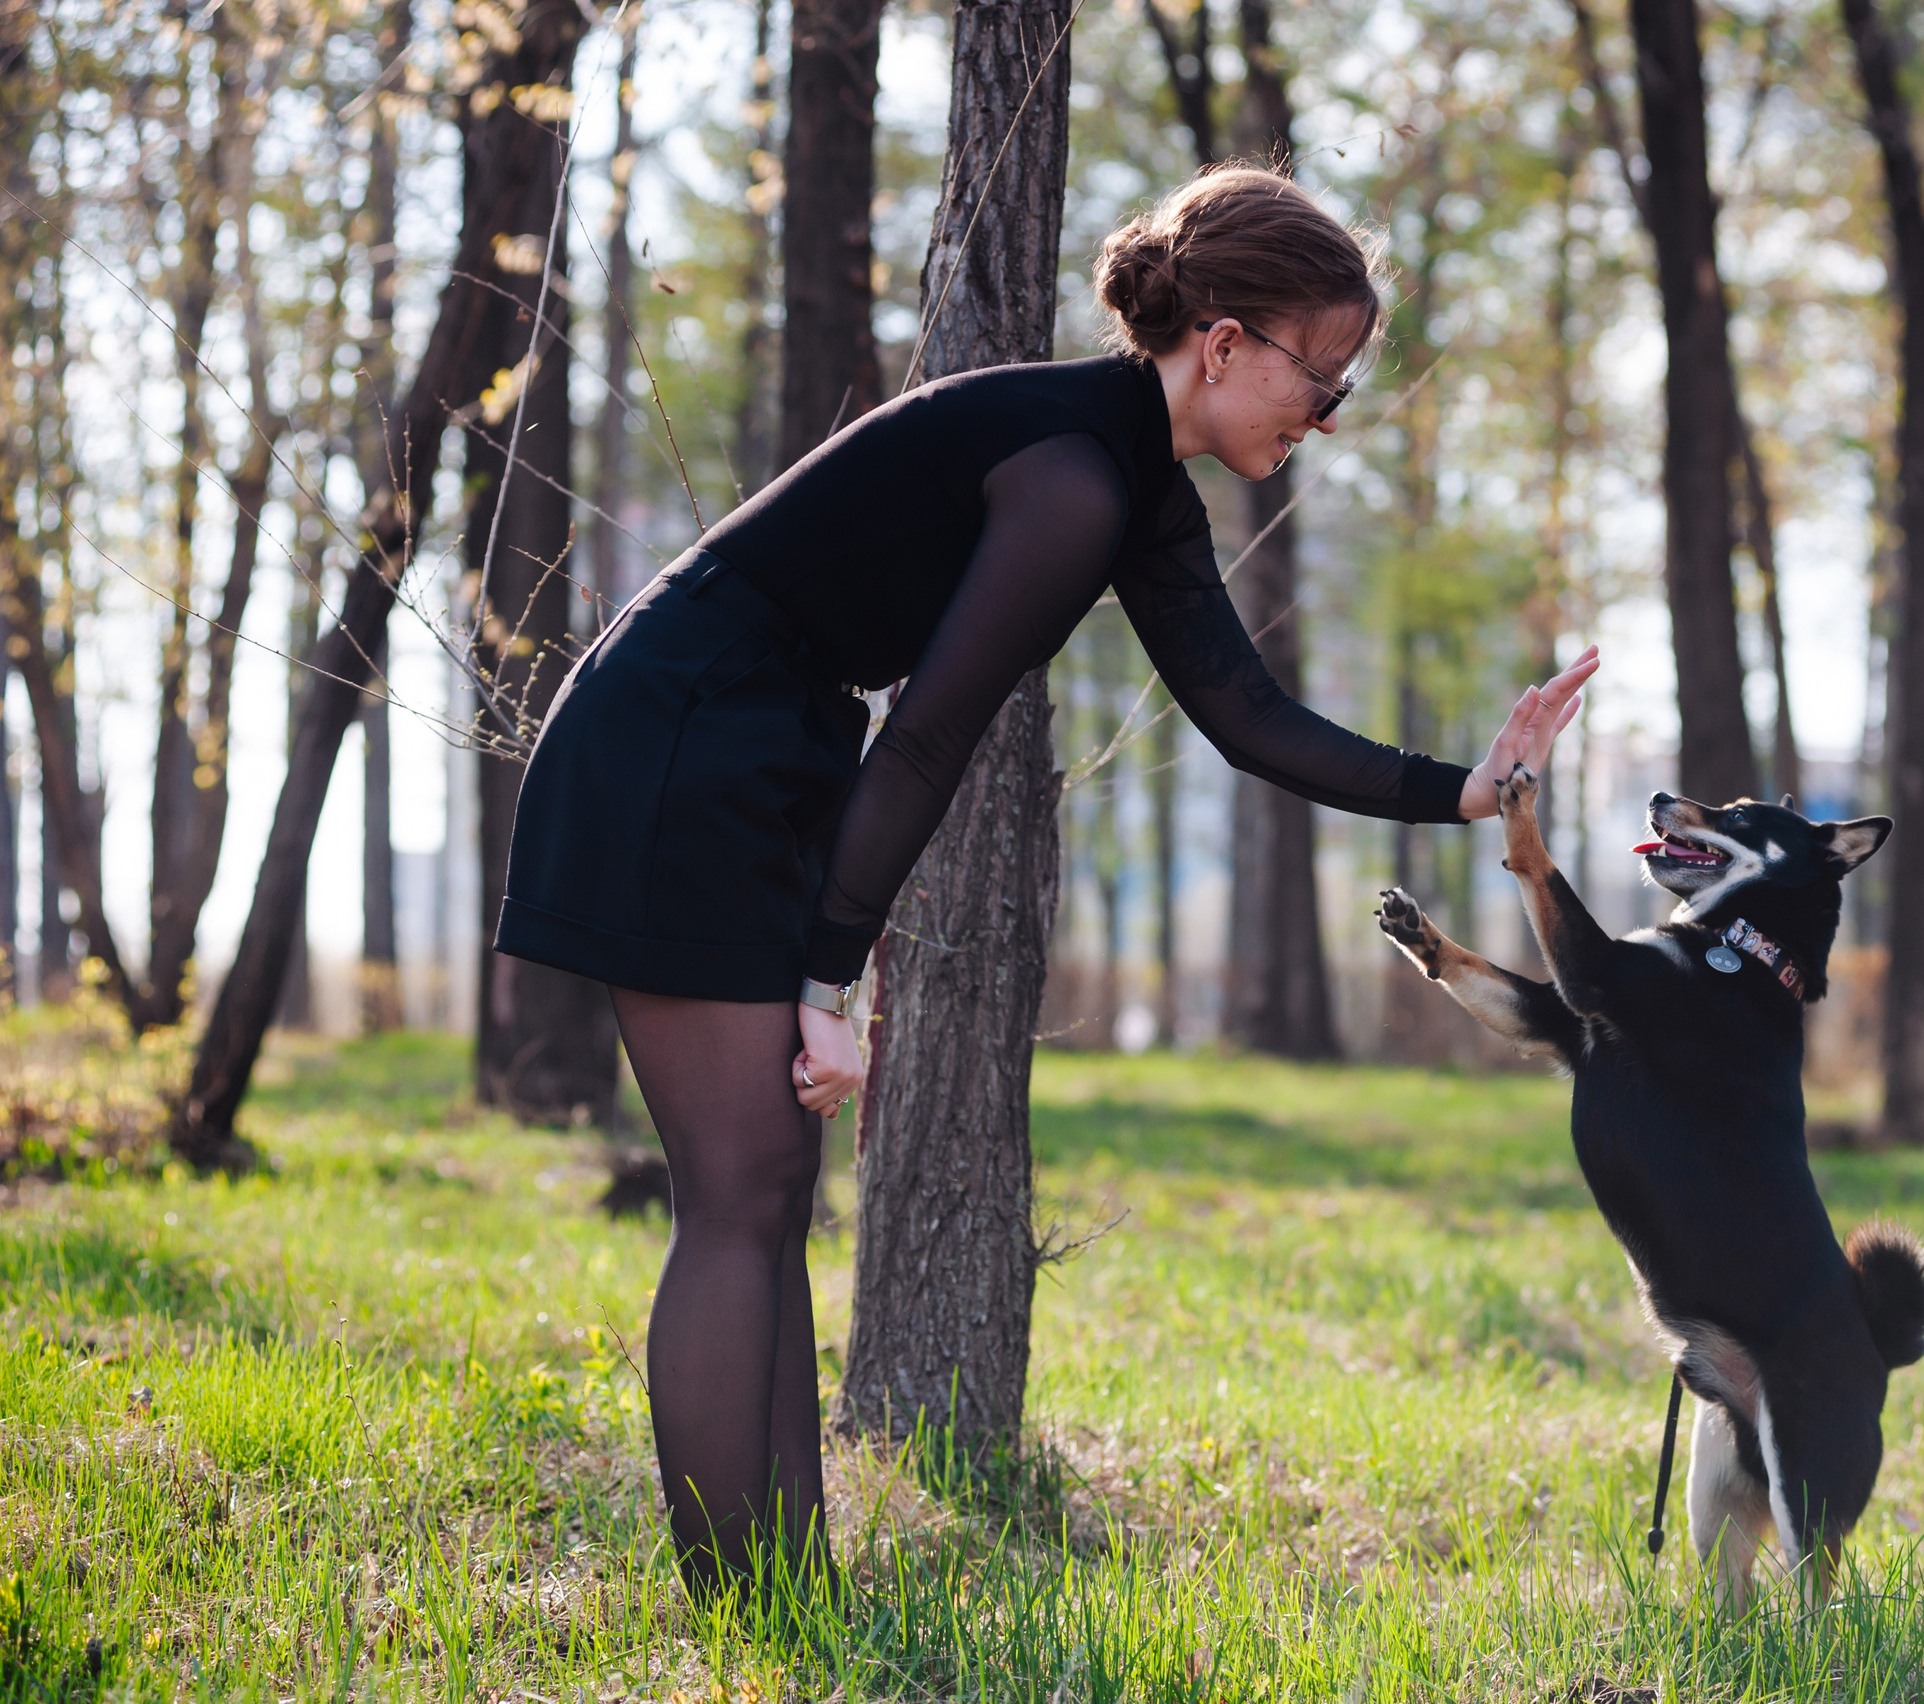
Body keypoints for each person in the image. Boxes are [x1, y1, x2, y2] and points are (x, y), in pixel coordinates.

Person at [493, 163, 1599, 1589]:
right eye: (1318, 384)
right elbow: (931, 742)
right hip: (686, 739)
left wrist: (1465, 789)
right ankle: (743, 1605)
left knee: (766, 1181)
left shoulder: (1130, 480)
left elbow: (1248, 717)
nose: (1322, 421)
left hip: (757, 738)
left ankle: (783, 1595)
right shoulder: (1075, 475)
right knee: (740, 1184)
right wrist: (834, 976)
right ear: (1221, 346)